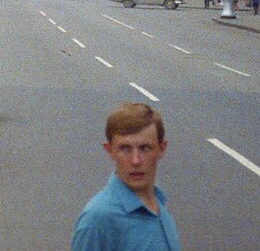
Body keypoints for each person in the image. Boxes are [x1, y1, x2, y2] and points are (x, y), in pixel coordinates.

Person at [71, 102, 180, 251]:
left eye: (145, 148)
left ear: (162, 149)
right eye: (125, 149)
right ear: (110, 150)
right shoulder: (98, 219)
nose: (136, 160)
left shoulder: (158, 204)